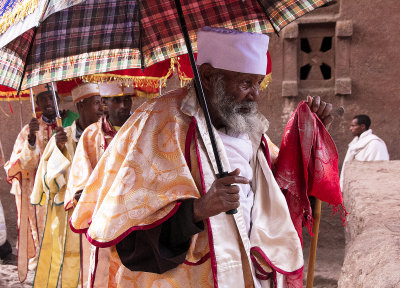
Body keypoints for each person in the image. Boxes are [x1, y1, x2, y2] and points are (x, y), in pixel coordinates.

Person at [70, 27, 333, 288]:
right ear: (207, 76)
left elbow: (278, 188)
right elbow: (130, 237)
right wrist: (197, 210)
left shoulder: (248, 128)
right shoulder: (157, 123)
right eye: (244, 83)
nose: (254, 94)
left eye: (257, 83)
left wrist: (309, 140)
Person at [30, 83, 103, 288]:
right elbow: (49, 182)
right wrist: (60, 150)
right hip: (71, 213)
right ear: (81, 106)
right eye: (96, 103)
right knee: (74, 263)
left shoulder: (107, 135)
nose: (101, 108)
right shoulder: (63, 138)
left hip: (100, 211)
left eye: (102, 103)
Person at [3, 83, 77, 282]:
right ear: (37, 103)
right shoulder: (29, 128)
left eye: (50, 97)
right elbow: (23, 164)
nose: (47, 102)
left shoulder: (70, 123)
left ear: (57, 99)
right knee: (42, 228)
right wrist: (31, 140)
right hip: (39, 188)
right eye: (42, 99)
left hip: (65, 186)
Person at [66, 82, 133, 287]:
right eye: (116, 100)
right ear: (105, 102)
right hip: (101, 219)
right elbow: (80, 180)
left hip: (134, 217)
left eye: (127, 99)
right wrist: (82, 195)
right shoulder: (91, 135)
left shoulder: (141, 130)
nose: (123, 105)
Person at [340, 114, 389, 189]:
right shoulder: (354, 143)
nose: (350, 128)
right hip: (353, 187)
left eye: (353, 126)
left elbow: (379, 169)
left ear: (362, 126)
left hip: (369, 188)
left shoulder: (375, 143)